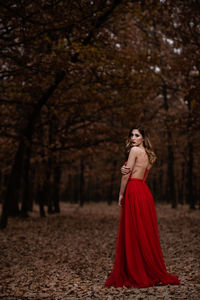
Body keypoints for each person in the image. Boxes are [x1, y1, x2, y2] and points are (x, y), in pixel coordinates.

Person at [105, 125, 180, 288]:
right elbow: (137, 171)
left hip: (133, 190)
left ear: (143, 138)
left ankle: (136, 271)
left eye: (137, 135)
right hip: (144, 192)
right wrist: (125, 170)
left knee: (133, 231)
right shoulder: (149, 154)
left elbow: (127, 175)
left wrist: (121, 193)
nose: (133, 138)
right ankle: (147, 269)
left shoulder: (134, 151)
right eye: (131, 135)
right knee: (144, 232)